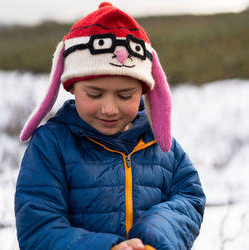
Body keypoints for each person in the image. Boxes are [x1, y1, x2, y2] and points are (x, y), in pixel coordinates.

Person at [15, 2, 206, 250]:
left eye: (125, 96)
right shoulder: (51, 145)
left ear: (145, 92)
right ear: (71, 86)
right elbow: (38, 229)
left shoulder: (160, 145)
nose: (109, 109)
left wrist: (154, 237)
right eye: (94, 94)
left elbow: (189, 198)